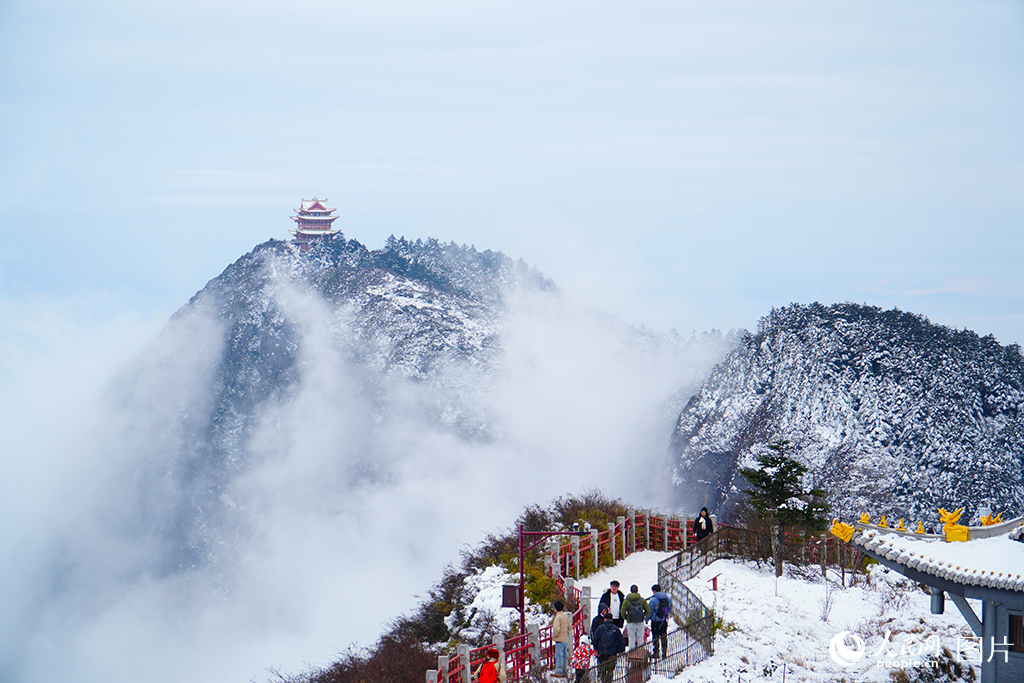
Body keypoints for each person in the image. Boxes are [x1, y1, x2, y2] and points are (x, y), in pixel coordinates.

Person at [591, 612, 625, 683]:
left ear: (604, 619)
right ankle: (609, 681)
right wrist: (618, 650)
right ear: (612, 620)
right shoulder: (616, 629)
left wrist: (598, 649)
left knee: (603, 670)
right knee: (610, 670)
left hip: (602, 653)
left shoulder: (600, 628)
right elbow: (621, 641)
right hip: (612, 654)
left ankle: (603, 680)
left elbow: (595, 640)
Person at [619, 584, 649, 649]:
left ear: (630, 591)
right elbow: (648, 610)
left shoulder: (627, 601)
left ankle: (632, 655)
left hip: (631, 622)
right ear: (637, 591)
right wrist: (643, 616)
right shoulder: (642, 600)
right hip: (640, 622)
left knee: (631, 639)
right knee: (640, 638)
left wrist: (627, 618)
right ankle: (641, 654)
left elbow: (622, 612)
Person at [647, 583, 672, 659]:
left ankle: (656, 652)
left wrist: (647, 619)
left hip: (655, 621)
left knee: (655, 637)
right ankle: (664, 652)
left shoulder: (653, 600)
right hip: (664, 620)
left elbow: (649, 611)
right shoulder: (667, 599)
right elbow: (670, 608)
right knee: (664, 636)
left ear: (654, 591)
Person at [550, 600, 571, 678]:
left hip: (559, 640)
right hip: (565, 639)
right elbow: (569, 626)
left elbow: (556, 628)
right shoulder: (564, 616)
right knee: (564, 656)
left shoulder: (558, 617)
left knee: (559, 656)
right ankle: (565, 671)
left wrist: (554, 636)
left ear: (555, 609)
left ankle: (559, 672)